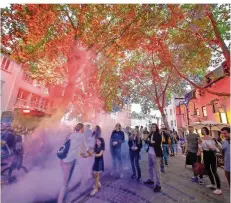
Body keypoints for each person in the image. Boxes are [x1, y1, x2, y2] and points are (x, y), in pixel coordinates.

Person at [58, 123, 91, 203]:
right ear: (82, 128)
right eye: (83, 128)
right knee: (65, 183)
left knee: (66, 178)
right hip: (69, 161)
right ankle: (60, 200)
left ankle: (64, 193)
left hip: (62, 160)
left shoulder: (71, 134)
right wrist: (89, 153)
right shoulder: (81, 136)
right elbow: (85, 148)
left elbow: (69, 147)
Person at [199, 127, 222, 195]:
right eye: (202, 130)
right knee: (208, 170)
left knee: (214, 171)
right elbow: (200, 148)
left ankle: (219, 188)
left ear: (206, 130)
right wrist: (200, 145)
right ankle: (213, 184)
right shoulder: (201, 138)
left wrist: (213, 148)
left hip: (212, 154)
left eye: (204, 130)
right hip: (205, 154)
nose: (203, 131)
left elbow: (219, 146)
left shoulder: (212, 138)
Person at [144, 123, 163, 192]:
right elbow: (146, 140)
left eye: (154, 127)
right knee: (149, 167)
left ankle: (158, 184)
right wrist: (150, 141)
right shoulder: (150, 133)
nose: (153, 128)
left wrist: (152, 142)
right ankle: (151, 179)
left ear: (156, 128)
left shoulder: (158, 134)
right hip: (150, 152)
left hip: (155, 154)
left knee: (157, 169)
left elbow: (158, 143)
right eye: (152, 127)